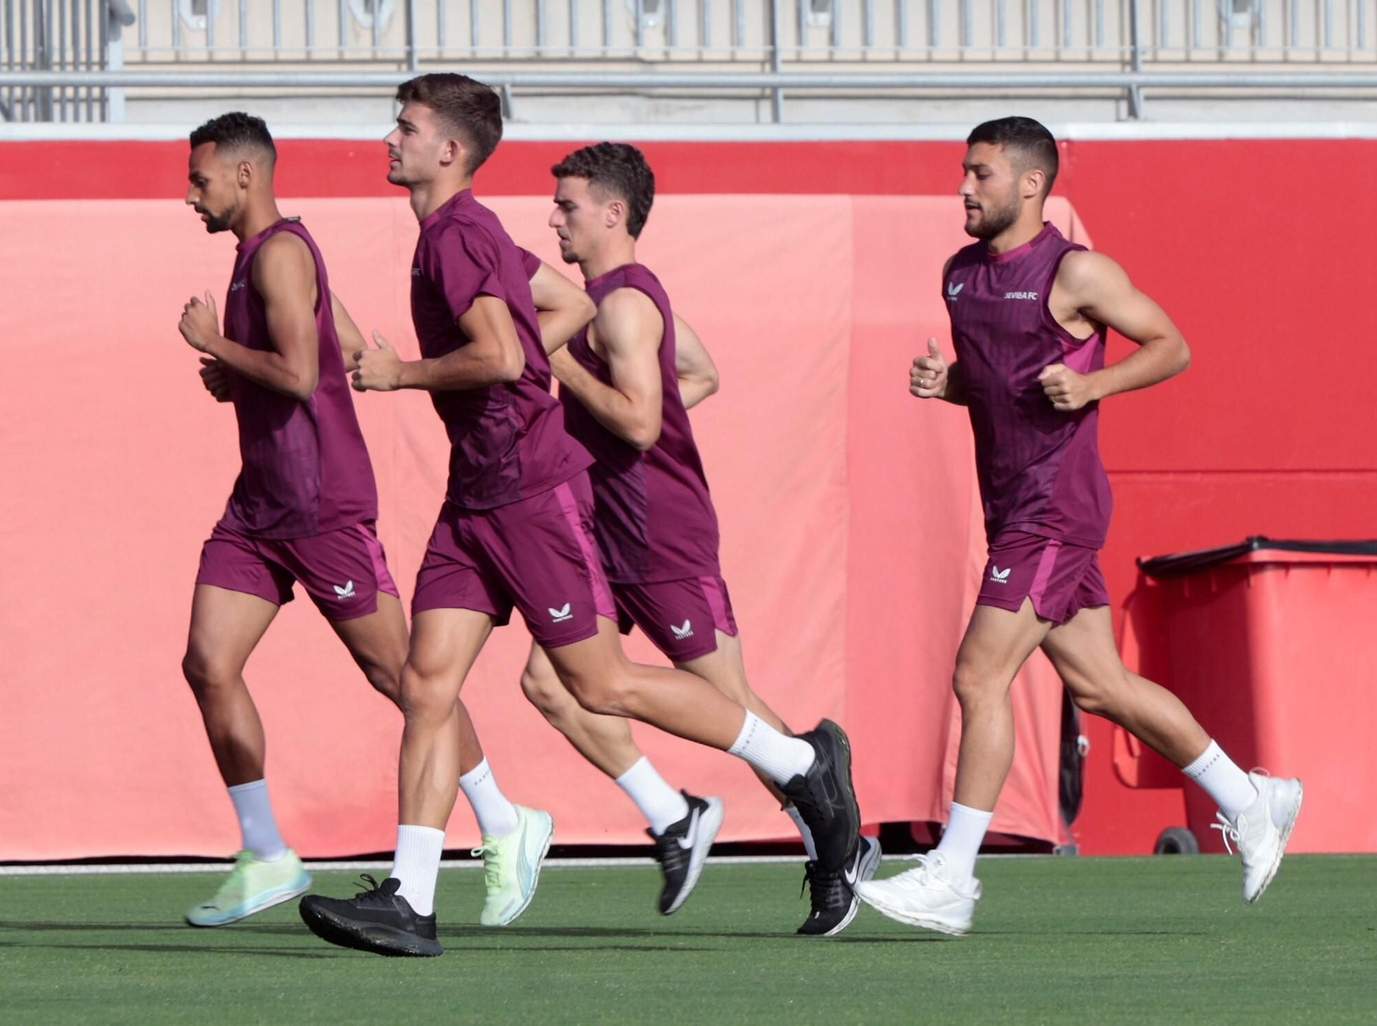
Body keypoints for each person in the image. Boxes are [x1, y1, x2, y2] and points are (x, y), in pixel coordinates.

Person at [296, 75, 861, 958]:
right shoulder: (456, 237)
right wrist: (526, 367)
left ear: (449, 151)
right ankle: (410, 899)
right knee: (426, 684)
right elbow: (563, 307)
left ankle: (799, 764)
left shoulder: (459, 236)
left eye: (402, 128)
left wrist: (404, 374)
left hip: (528, 496)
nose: (387, 140)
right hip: (475, 497)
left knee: (602, 684)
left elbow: (500, 351)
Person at [856, 116, 1302, 937]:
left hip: (1053, 509)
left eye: (981, 174)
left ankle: (952, 876)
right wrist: (946, 383)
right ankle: (1253, 797)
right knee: (1101, 687)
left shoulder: (1076, 272)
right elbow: (998, 385)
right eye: (963, 171)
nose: (964, 187)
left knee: (978, 678)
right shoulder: (958, 275)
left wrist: (1097, 387)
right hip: (1014, 509)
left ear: (1031, 184)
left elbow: (1171, 346)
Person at [175, 112, 585, 929]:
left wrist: (220, 347)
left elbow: (297, 372)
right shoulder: (255, 256)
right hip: (260, 505)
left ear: (246, 176)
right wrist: (240, 374)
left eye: (201, 179)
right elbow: (323, 356)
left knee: (403, 678)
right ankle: (266, 853)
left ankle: (505, 821)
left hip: (321, 502)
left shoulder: (284, 252)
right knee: (207, 662)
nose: (191, 195)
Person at [514, 141, 881, 935]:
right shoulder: (611, 301)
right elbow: (700, 375)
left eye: (568, 206)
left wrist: (563, 372)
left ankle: (837, 846)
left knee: (731, 708)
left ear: (614, 212)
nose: (555, 220)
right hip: (601, 533)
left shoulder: (623, 305)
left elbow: (644, 421)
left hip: (662, 537)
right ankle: (672, 814)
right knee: (549, 682)